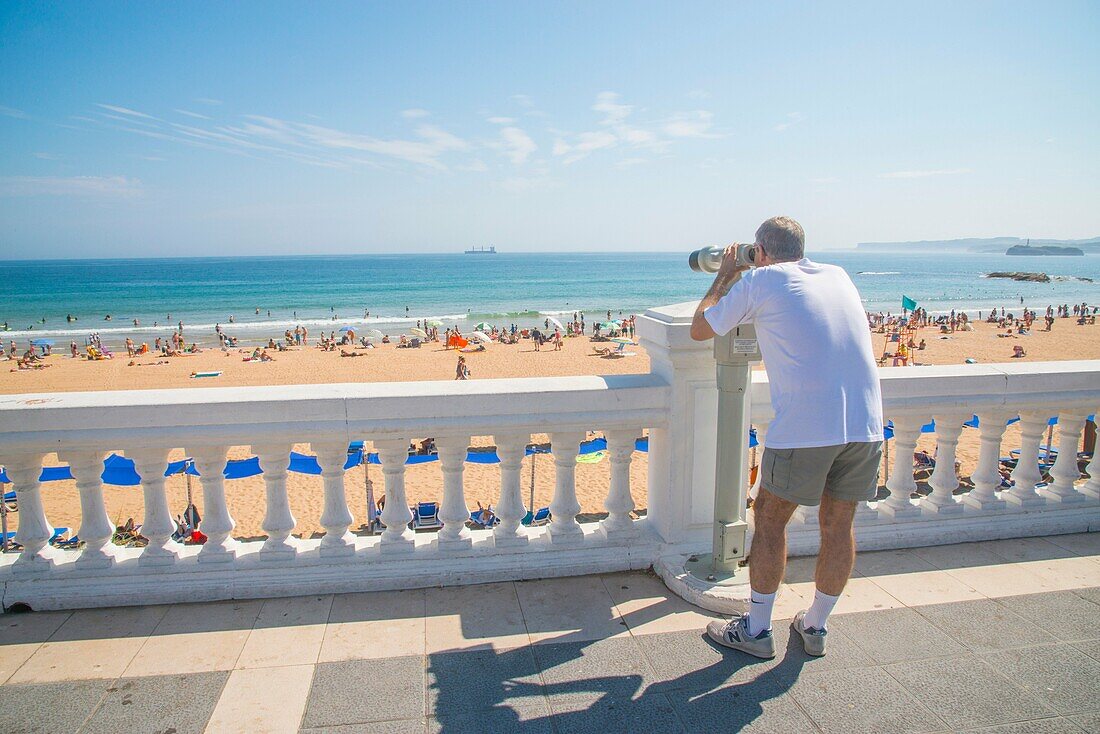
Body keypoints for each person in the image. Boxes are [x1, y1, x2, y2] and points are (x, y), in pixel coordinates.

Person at [690, 216, 883, 659]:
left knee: (770, 521)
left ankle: (757, 632)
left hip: (806, 427)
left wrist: (726, 275)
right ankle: (815, 626)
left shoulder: (764, 281)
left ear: (760, 251)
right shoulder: (837, 274)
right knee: (839, 526)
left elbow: (702, 328)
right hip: (864, 423)